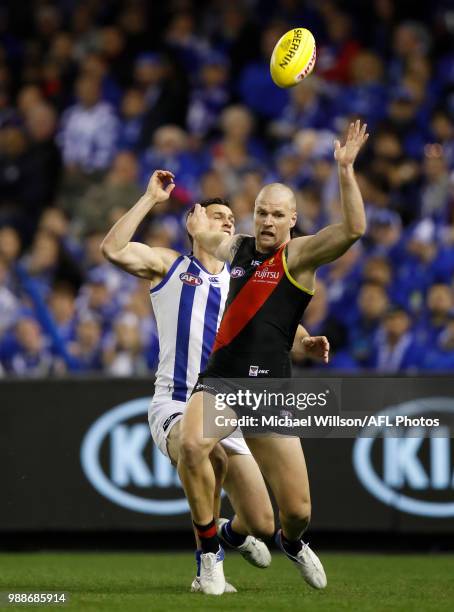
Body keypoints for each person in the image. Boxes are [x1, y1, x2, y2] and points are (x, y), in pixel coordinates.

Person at [101, 170, 330, 593]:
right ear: (194, 221)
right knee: (207, 457)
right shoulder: (170, 265)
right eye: (217, 215)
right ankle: (208, 559)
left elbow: (273, 325)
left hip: (232, 403)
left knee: (261, 522)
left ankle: (229, 534)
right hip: (176, 401)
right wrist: (151, 199)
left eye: (231, 217)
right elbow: (112, 249)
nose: (228, 222)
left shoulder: (241, 273)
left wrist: (304, 341)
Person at [180, 120, 369, 594]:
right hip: (221, 380)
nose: (265, 221)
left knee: (298, 511)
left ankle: (293, 542)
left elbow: (353, 229)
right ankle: (209, 560)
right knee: (191, 445)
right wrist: (196, 223)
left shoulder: (299, 257)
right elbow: (208, 240)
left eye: (276, 214)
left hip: (269, 392)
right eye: (261, 212)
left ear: (292, 221)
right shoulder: (238, 248)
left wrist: (344, 169)